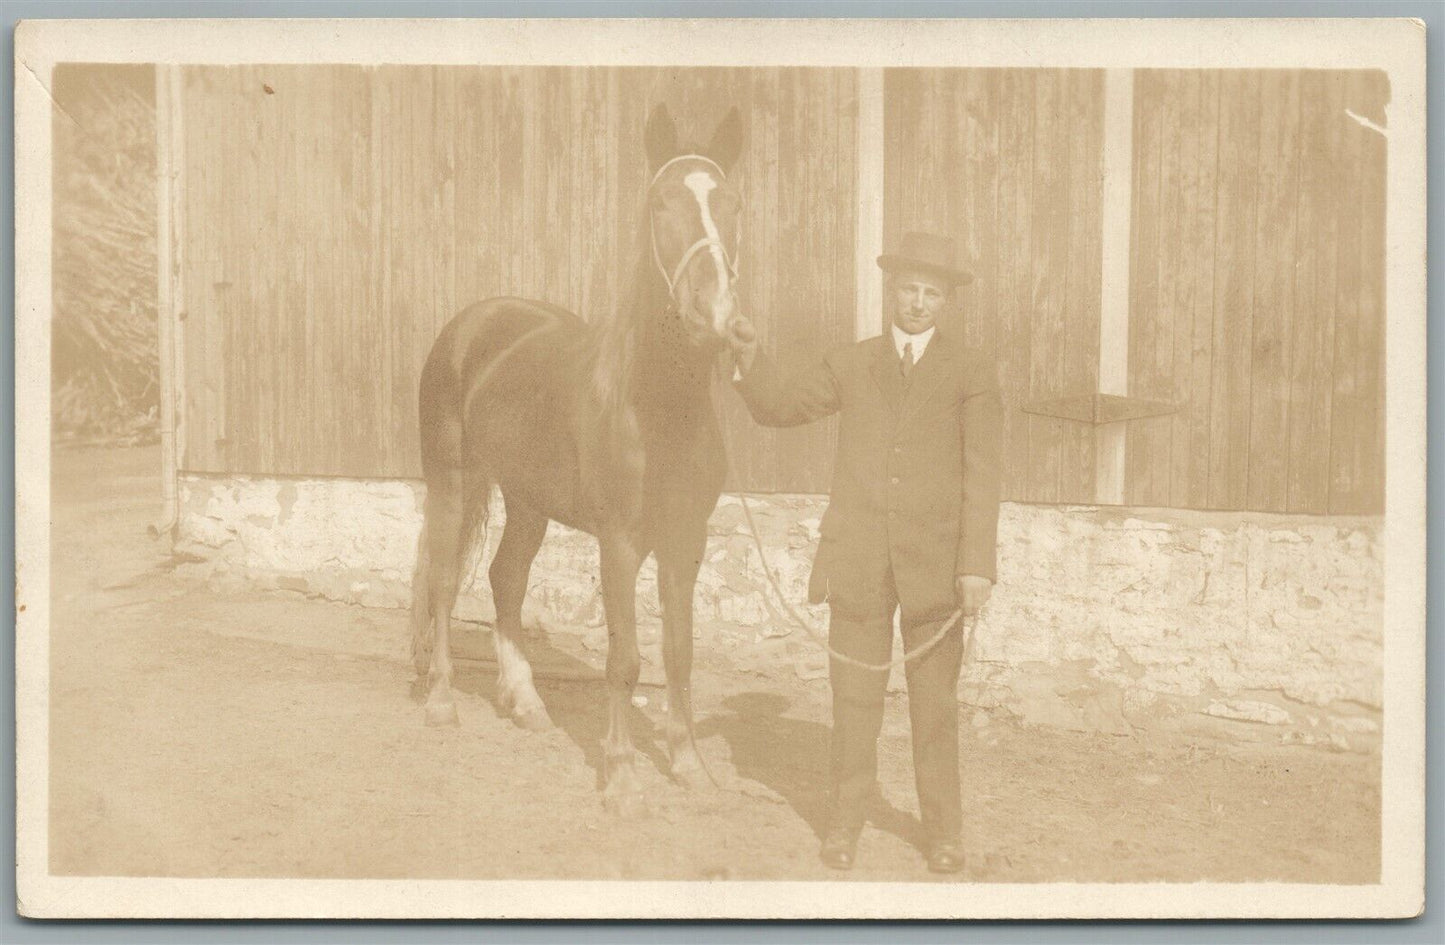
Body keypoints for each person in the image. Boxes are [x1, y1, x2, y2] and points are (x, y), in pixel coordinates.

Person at [726, 230, 1002, 874]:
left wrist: (976, 566)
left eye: (932, 293)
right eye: (909, 289)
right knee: (853, 704)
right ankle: (844, 824)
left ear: (946, 303)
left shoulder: (971, 373)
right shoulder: (853, 363)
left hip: (937, 569)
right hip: (857, 563)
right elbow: (778, 406)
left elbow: (983, 474)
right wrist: (748, 356)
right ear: (891, 291)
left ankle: (943, 834)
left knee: (935, 708)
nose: (918, 303)